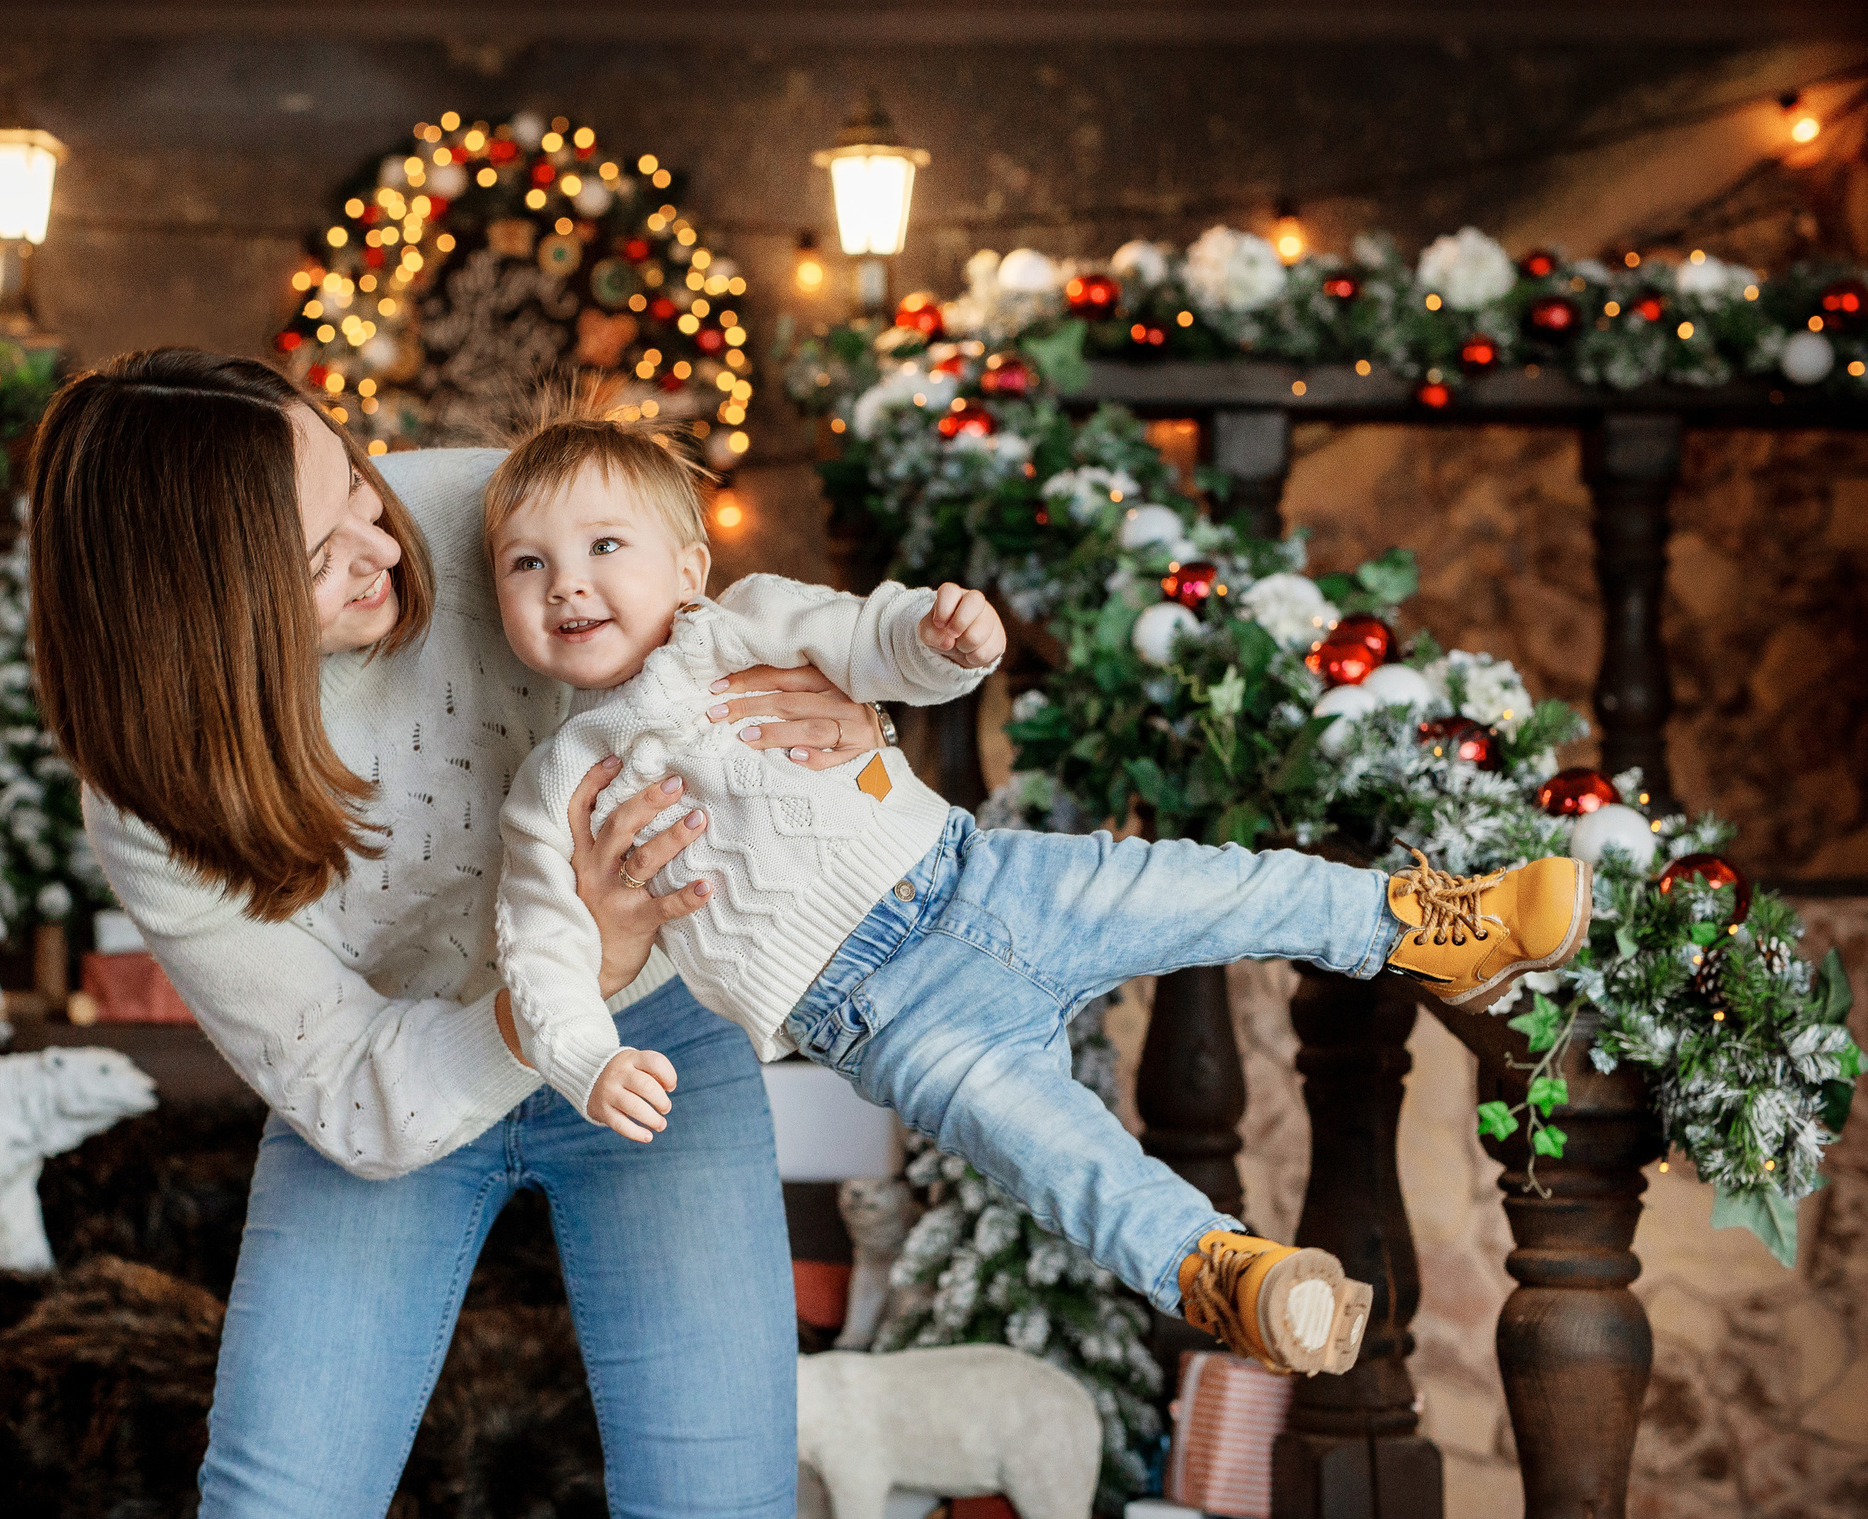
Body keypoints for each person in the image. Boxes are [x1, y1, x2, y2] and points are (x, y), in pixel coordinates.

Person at [26, 349, 870, 1519]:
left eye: (356, 480)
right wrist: (570, 960)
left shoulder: (502, 523)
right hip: (392, 1095)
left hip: (652, 1047)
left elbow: (747, 633)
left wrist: (833, 692)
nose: (382, 544)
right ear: (205, 610)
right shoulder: (151, 794)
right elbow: (356, 1094)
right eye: (317, 554)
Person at [485, 402, 1593, 1377]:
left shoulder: (752, 619)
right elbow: (541, 959)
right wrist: (590, 1060)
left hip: (992, 876)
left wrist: (940, 643)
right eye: (524, 564)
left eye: (601, 545)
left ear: (687, 568)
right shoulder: (553, 789)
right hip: (888, 1019)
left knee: (1215, 890)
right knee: (1057, 1152)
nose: (566, 581)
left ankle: (1441, 924)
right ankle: (1230, 1276)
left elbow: (869, 645)